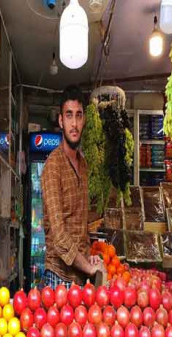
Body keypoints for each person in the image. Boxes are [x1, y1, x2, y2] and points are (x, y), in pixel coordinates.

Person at [41, 85, 104, 289]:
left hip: (79, 281)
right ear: (61, 120)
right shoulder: (53, 166)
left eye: (78, 115)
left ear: (84, 119)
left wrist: (89, 257)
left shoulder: (83, 165)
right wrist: (88, 266)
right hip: (58, 280)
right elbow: (59, 236)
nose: (74, 123)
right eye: (69, 116)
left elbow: (80, 226)